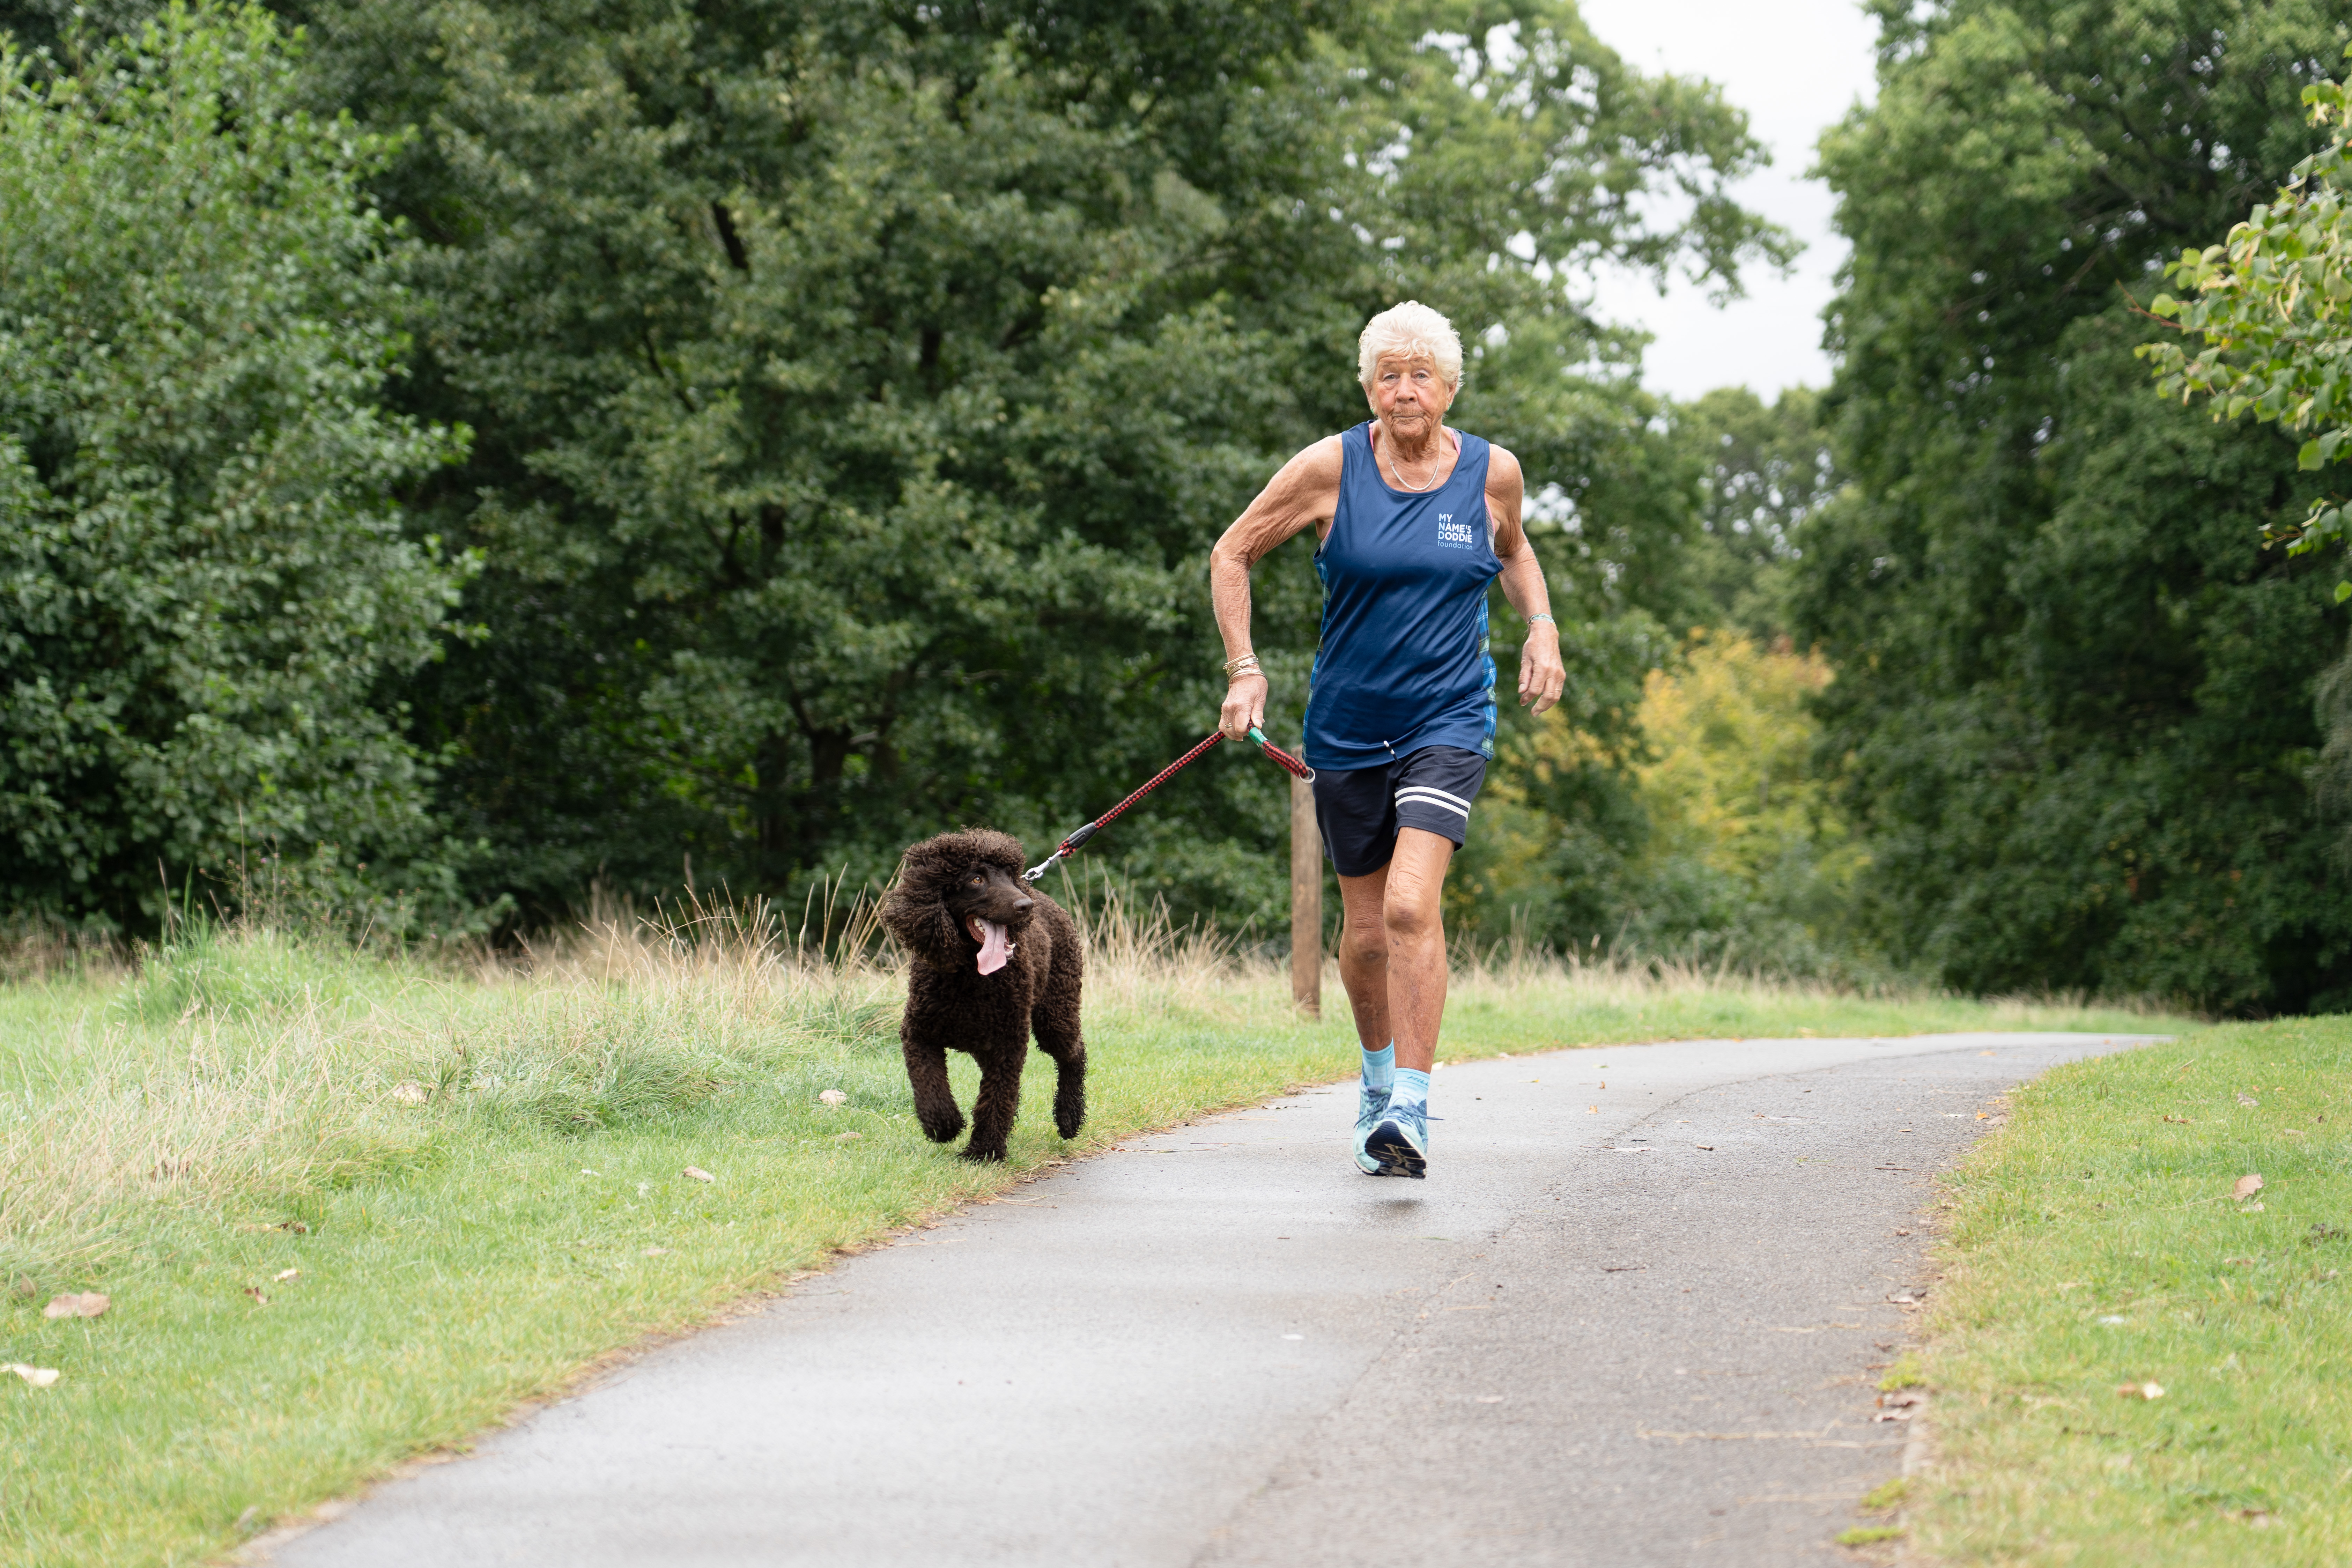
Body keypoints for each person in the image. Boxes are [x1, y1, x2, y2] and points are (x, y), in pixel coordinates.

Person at [1209, 301, 1566, 1178]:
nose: (1405, 389)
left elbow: (1513, 550)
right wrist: (1245, 668)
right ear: (1369, 386)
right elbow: (1232, 550)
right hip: (1347, 727)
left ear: (1449, 386)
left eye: (1422, 374)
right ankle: (1375, 1085)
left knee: (1412, 904)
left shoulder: (1492, 473)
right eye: (1388, 374)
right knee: (1366, 930)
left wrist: (1543, 626)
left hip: (1449, 718)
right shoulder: (1331, 467)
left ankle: (1412, 1103)